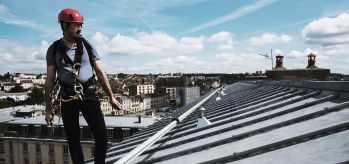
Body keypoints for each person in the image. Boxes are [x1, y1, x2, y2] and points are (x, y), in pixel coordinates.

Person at [44, 8, 121, 164]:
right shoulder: (53, 50)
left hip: (88, 94)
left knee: (102, 136)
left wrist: (111, 97)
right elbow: (50, 80)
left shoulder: (87, 45)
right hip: (67, 97)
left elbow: (100, 73)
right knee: (73, 140)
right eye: (76, 25)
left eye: (81, 25)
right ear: (65, 25)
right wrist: (48, 108)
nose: (80, 29)